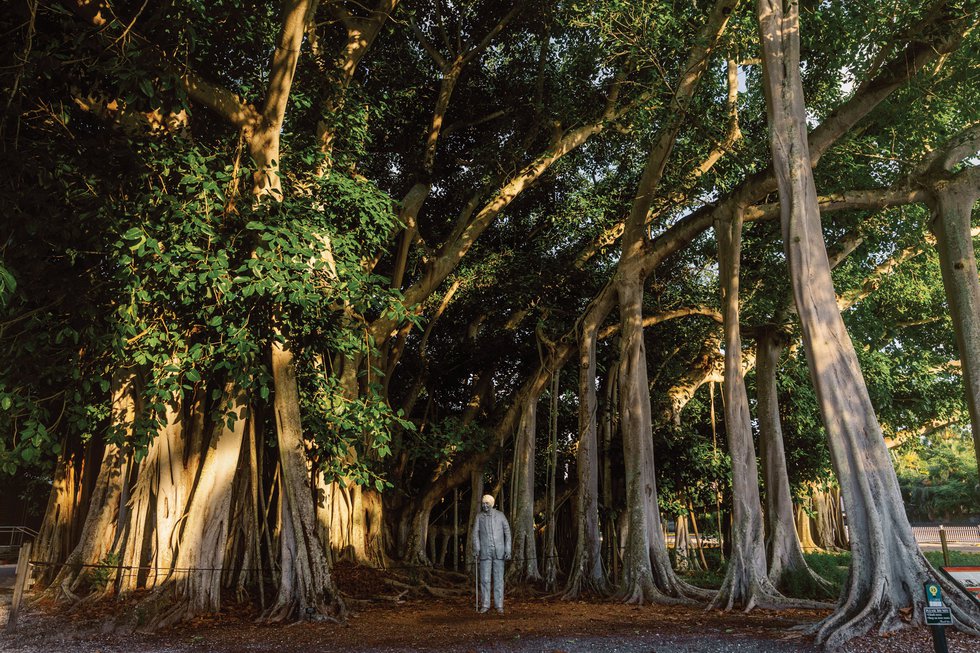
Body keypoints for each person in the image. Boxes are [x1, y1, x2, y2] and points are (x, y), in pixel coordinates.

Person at [471, 494, 511, 614]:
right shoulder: (479, 517)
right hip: (484, 552)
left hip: (499, 551)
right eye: (483, 504)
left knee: (499, 579)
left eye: (487, 503)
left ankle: (499, 605)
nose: (484, 506)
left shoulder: (500, 515)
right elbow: (475, 534)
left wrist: (508, 549)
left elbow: (507, 532)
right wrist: (476, 548)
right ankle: (485, 604)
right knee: (485, 579)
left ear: (492, 504)